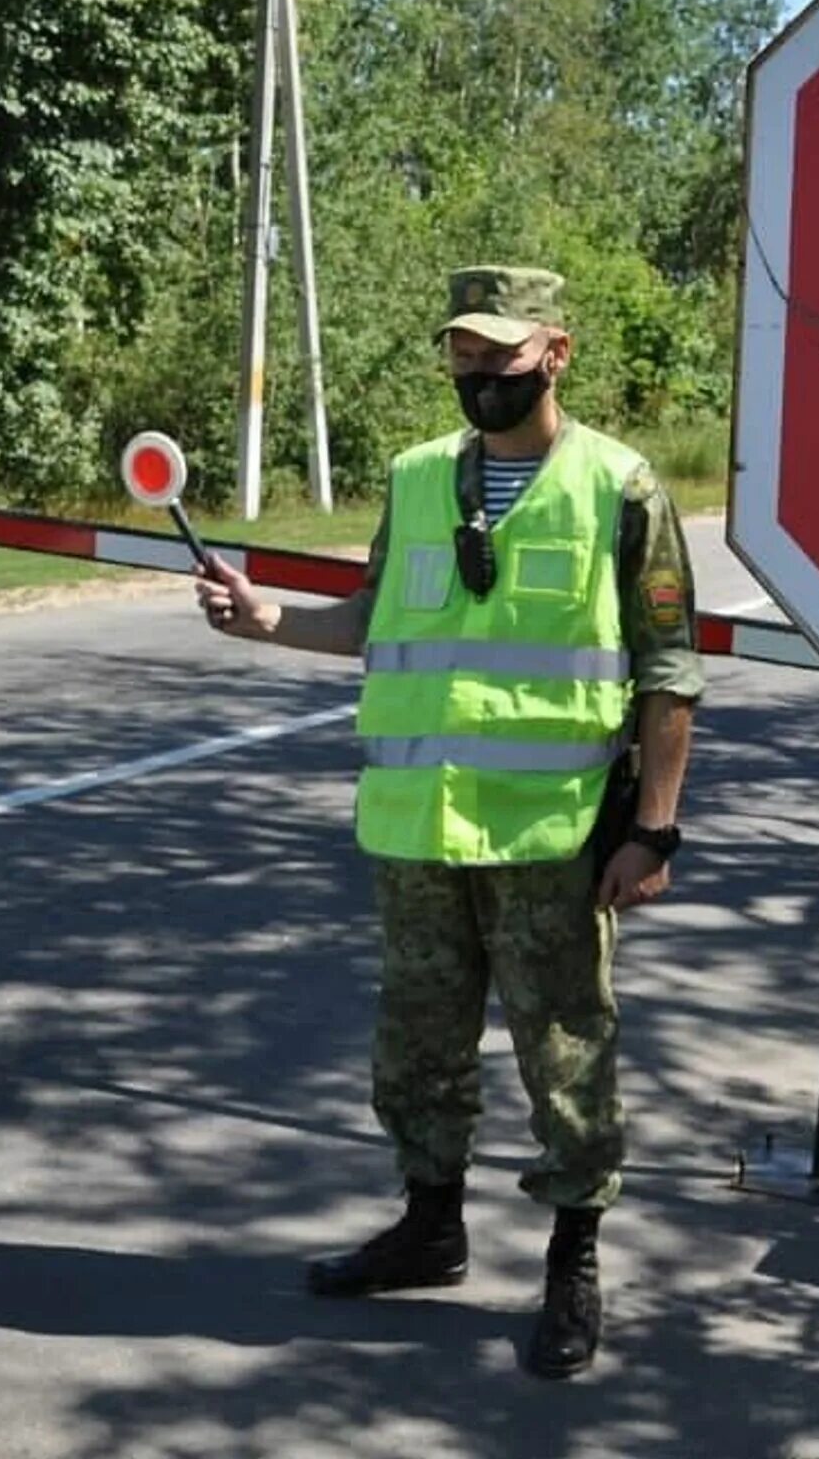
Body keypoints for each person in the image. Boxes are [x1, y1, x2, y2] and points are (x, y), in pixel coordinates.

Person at [194, 264, 702, 1379]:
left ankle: (572, 1261)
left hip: (554, 839)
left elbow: (669, 672)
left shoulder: (620, 486)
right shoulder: (420, 477)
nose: (478, 374)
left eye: (501, 355)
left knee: (564, 1054)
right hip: (419, 827)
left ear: (555, 352)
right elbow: (377, 621)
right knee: (418, 1047)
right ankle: (432, 1227)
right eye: (463, 354)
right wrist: (269, 620)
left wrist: (652, 832)